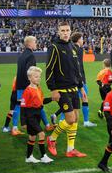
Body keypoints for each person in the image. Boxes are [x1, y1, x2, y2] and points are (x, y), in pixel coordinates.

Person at [45, 22, 87, 158]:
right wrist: (53, 89)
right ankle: (52, 139)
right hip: (61, 90)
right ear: (58, 32)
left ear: (70, 31)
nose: (65, 32)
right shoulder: (54, 47)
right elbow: (49, 69)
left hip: (74, 88)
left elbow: (77, 70)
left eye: (67, 30)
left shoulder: (74, 47)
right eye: (62, 30)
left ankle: (71, 149)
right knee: (69, 118)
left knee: (75, 119)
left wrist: (81, 88)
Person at [51, 32, 97, 127]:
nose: (83, 40)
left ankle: (57, 117)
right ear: (78, 39)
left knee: (69, 102)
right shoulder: (78, 49)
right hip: (78, 80)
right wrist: (81, 81)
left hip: (70, 80)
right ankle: (86, 121)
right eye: (82, 38)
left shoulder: (69, 47)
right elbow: (78, 67)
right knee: (84, 99)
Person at [13, 36, 54, 136]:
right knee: (39, 105)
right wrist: (34, 85)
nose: (36, 43)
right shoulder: (31, 56)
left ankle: (14, 128)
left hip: (19, 85)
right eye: (35, 42)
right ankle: (47, 125)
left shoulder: (21, 55)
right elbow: (30, 72)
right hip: (28, 87)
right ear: (30, 43)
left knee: (18, 106)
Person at [20, 66, 54, 164]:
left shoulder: (38, 88)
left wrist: (52, 99)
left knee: (32, 137)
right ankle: (43, 156)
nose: (38, 78)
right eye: (36, 77)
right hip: (30, 115)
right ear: (29, 78)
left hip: (37, 114)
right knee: (42, 134)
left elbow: (42, 101)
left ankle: (29, 157)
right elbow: (23, 106)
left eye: (39, 76)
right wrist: (23, 122)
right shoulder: (27, 91)